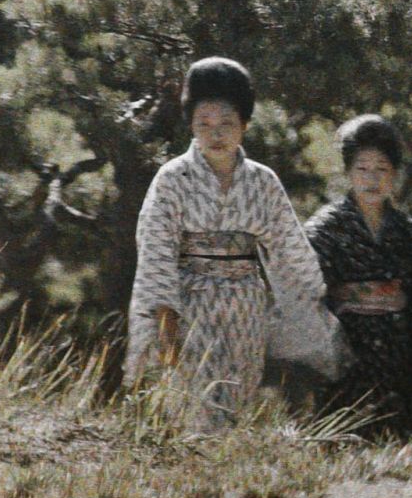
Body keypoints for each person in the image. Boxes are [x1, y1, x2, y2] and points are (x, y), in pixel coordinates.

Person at [126, 57, 331, 429]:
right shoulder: (173, 178)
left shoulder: (263, 182)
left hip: (246, 306)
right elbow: (156, 252)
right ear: (191, 125)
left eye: (226, 124)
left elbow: (290, 249)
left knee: (236, 402)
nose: (215, 134)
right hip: (190, 303)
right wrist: (164, 322)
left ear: (245, 125)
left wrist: (307, 305)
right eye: (204, 124)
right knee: (193, 406)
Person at [303, 114, 412, 434]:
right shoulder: (325, 228)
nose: (371, 179)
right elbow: (305, 291)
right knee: (341, 431)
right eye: (362, 169)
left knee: (402, 427)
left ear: (394, 174)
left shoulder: (409, 233)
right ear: (348, 172)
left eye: (382, 170)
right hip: (345, 348)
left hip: (399, 350)